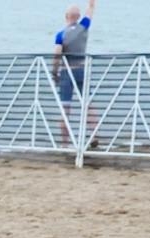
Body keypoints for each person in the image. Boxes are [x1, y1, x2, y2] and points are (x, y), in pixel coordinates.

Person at [54, 0, 98, 146]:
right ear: (78, 16)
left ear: (66, 16)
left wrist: (54, 72)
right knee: (88, 104)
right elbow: (91, 8)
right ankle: (93, 135)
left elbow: (57, 54)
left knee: (65, 108)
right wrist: (92, 2)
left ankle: (65, 144)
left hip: (67, 72)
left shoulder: (61, 34)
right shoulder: (83, 27)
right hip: (82, 69)